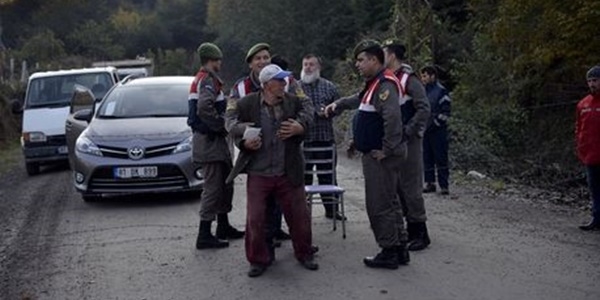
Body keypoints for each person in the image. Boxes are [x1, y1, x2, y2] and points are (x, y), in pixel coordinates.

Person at [226, 64, 318, 277]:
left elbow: (309, 112)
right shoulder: (248, 103)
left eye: (284, 79)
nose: (284, 83)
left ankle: (304, 253)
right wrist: (244, 139)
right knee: (256, 219)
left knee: (299, 216)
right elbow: (230, 123)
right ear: (266, 85)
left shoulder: (292, 101)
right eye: (279, 80)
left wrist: (300, 126)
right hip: (259, 172)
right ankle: (258, 260)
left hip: (288, 170)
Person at [324, 40, 410, 269]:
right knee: (390, 201)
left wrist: (387, 149)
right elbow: (359, 102)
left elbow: (392, 119)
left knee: (379, 203)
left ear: (374, 60)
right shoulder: (373, 84)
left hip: (380, 156)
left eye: (361, 60)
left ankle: (389, 250)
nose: (357, 64)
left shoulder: (385, 85)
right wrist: (338, 104)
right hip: (375, 152)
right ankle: (400, 247)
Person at [229, 43, 292, 244]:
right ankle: (263, 240)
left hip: (282, 152)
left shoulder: (287, 81)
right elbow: (229, 120)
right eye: (258, 58)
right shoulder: (239, 88)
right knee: (259, 202)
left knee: (280, 197)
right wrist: (245, 133)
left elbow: (303, 104)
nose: (263, 61)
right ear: (250, 64)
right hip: (255, 153)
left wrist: (298, 125)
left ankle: (274, 230)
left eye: (266, 57)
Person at [188, 42, 244, 250]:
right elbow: (204, 108)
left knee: (224, 184)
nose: (221, 63)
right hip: (210, 141)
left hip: (212, 141)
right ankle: (204, 234)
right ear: (213, 60)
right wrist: (222, 126)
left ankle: (223, 226)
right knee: (213, 188)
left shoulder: (203, 78)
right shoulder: (208, 80)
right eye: (218, 60)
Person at [382, 38, 431, 251]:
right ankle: (408, 230)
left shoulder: (409, 79)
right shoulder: (387, 79)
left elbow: (424, 108)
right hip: (394, 141)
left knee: (411, 186)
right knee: (399, 186)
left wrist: (409, 131)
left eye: (383, 52)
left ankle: (420, 232)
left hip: (409, 142)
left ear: (392, 55)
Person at [300, 53, 345, 221]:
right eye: (305, 64)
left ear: (318, 67)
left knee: (328, 175)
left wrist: (329, 110)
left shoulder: (329, 87)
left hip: (325, 138)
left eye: (311, 64)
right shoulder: (295, 87)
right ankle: (303, 212)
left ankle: (332, 210)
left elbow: (339, 107)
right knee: (304, 177)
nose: (308, 68)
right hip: (303, 140)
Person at [421, 65, 451, 195]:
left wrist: (436, 123)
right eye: (422, 76)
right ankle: (430, 183)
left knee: (441, 157)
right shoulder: (423, 91)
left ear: (433, 76)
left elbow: (446, 112)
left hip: (438, 130)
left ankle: (444, 185)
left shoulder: (441, 91)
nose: (423, 78)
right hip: (426, 129)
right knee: (427, 157)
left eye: (425, 76)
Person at [576, 65, 600, 231]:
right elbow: (579, 127)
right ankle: (597, 219)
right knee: (595, 189)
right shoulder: (583, 104)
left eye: (596, 80)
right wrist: (580, 146)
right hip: (590, 155)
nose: (592, 84)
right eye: (590, 81)